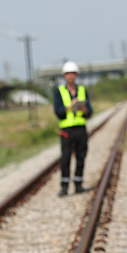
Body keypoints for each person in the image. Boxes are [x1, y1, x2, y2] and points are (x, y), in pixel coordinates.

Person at [53, 61, 93, 197]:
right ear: (65, 76)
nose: (71, 76)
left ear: (76, 75)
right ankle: (64, 186)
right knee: (66, 158)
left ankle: (78, 184)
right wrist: (70, 106)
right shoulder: (59, 91)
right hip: (67, 131)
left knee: (81, 156)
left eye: (73, 74)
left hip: (81, 129)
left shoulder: (82, 90)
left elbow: (90, 112)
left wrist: (85, 109)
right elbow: (58, 112)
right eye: (68, 74)